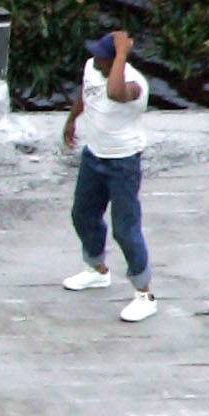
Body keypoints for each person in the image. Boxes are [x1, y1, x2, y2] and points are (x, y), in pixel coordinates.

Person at [62, 29, 156, 323]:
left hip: (123, 163)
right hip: (94, 156)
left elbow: (115, 93)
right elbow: (85, 93)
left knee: (125, 230)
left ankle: (145, 294)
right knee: (82, 214)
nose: (95, 61)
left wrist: (122, 54)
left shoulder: (134, 85)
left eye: (103, 58)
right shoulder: (92, 67)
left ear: (115, 60)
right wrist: (71, 120)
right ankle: (97, 270)